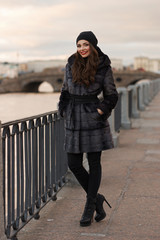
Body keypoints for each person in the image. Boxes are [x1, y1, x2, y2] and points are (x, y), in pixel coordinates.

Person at [58, 31, 118, 227]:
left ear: (92, 45)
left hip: (93, 118)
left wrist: (100, 110)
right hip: (74, 119)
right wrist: (64, 109)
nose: (81, 48)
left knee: (94, 162)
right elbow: (65, 92)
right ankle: (97, 198)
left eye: (85, 44)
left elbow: (112, 95)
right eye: (78, 45)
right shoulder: (70, 65)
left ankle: (89, 206)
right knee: (74, 163)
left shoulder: (103, 66)